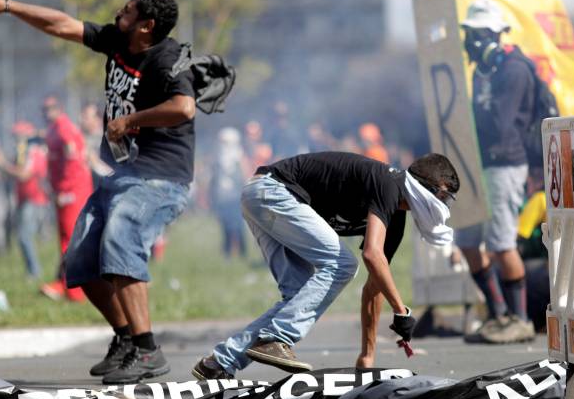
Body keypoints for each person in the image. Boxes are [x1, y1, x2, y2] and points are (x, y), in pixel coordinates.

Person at [0, 0, 196, 384]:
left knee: (121, 237)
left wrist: (131, 119)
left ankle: (146, 349)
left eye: (128, 10)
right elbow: (62, 24)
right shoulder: (116, 41)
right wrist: (6, 5)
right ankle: (125, 338)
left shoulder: (168, 59)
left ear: (147, 25)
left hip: (161, 178)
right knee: (80, 262)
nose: (119, 11)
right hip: (120, 177)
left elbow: (183, 108)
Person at [192, 152, 458, 380]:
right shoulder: (390, 184)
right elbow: (371, 255)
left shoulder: (394, 218)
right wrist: (401, 310)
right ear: (430, 189)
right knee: (342, 263)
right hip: (272, 191)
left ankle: (219, 363)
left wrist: (367, 357)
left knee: (299, 296)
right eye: (445, 198)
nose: (443, 207)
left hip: (261, 196)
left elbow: (374, 284)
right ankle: (276, 339)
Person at [456, 0, 535, 344]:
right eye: (470, 33)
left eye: (479, 33)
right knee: (468, 241)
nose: (472, 40)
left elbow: (502, 124)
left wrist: (465, 121)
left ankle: (520, 319)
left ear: (497, 34)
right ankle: (498, 314)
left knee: (502, 244)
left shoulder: (515, 69)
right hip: (478, 163)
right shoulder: (481, 71)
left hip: (506, 161)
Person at [40, 96, 93, 303]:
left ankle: (74, 289)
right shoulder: (53, 130)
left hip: (72, 192)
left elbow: (73, 160)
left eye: (51, 108)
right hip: (61, 192)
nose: (46, 112)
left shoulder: (65, 129)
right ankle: (67, 285)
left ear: (60, 109)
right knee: (65, 240)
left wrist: (65, 189)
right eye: (44, 109)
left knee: (72, 240)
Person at [0, 121, 49, 278]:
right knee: (23, 236)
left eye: (18, 137)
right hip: (25, 199)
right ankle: (32, 271)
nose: (16, 141)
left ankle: (35, 271)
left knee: (24, 236)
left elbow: (24, 174)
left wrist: (3, 164)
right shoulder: (24, 153)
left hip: (34, 200)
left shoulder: (35, 152)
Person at [209, 127, 248, 259]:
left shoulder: (239, 157)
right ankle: (227, 254)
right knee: (225, 226)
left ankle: (242, 253)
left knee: (237, 226)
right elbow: (214, 181)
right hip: (222, 197)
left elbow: (244, 177)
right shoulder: (217, 159)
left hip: (236, 197)